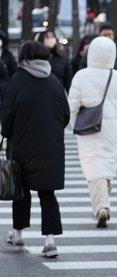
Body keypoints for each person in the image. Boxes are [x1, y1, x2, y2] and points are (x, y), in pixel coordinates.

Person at [1, 41, 70, 257]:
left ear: (23, 57)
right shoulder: (54, 82)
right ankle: (50, 242)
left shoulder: (17, 81)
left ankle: (18, 236)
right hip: (51, 148)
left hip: (22, 146)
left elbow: (7, 117)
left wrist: (8, 133)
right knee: (47, 194)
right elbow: (65, 115)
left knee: (20, 191)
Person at [68, 36, 117, 228]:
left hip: (87, 128)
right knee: (107, 165)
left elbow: (72, 104)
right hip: (110, 130)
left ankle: (102, 206)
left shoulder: (81, 75)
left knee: (92, 167)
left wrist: (74, 124)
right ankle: (102, 199)